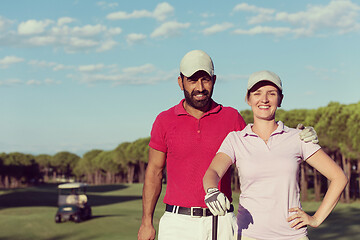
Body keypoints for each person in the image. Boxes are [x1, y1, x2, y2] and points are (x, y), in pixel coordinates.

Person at [137, 51, 318, 240]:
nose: (200, 87)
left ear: (214, 80)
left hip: (222, 221)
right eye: (192, 80)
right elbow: (154, 172)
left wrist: (298, 134)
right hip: (178, 222)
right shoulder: (164, 120)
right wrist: (146, 222)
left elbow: (262, 139)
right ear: (180, 82)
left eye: (205, 80)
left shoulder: (231, 117)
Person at [203, 70, 348, 240]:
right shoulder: (236, 139)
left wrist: (316, 219)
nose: (264, 99)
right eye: (257, 93)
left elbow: (339, 177)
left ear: (280, 99)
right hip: (249, 235)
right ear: (248, 99)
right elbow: (212, 172)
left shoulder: (298, 137)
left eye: (271, 93)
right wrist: (212, 191)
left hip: (293, 236)